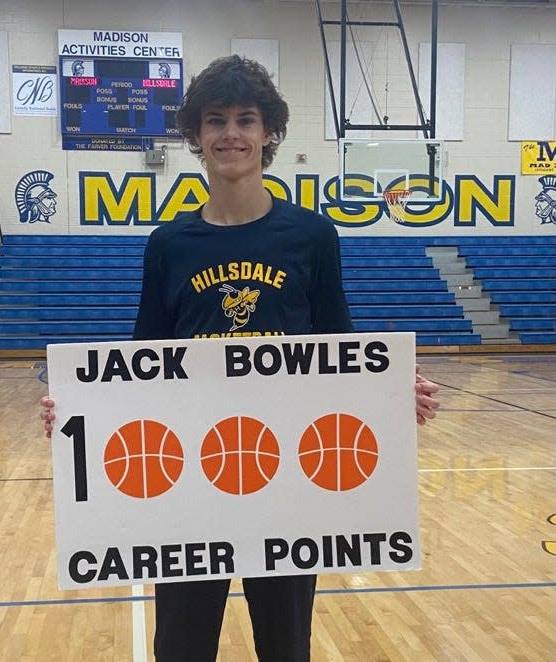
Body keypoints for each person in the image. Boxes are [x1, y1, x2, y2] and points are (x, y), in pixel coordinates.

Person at [41, 55, 440, 661]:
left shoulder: (312, 237)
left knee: (285, 649)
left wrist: (389, 392)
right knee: (181, 647)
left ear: (269, 133)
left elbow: (342, 349)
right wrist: (81, 413)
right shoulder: (168, 246)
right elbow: (142, 362)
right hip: (190, 489)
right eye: (216, 120)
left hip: (284, 485)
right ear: (196, 138)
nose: (231, 133)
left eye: (246, 120)